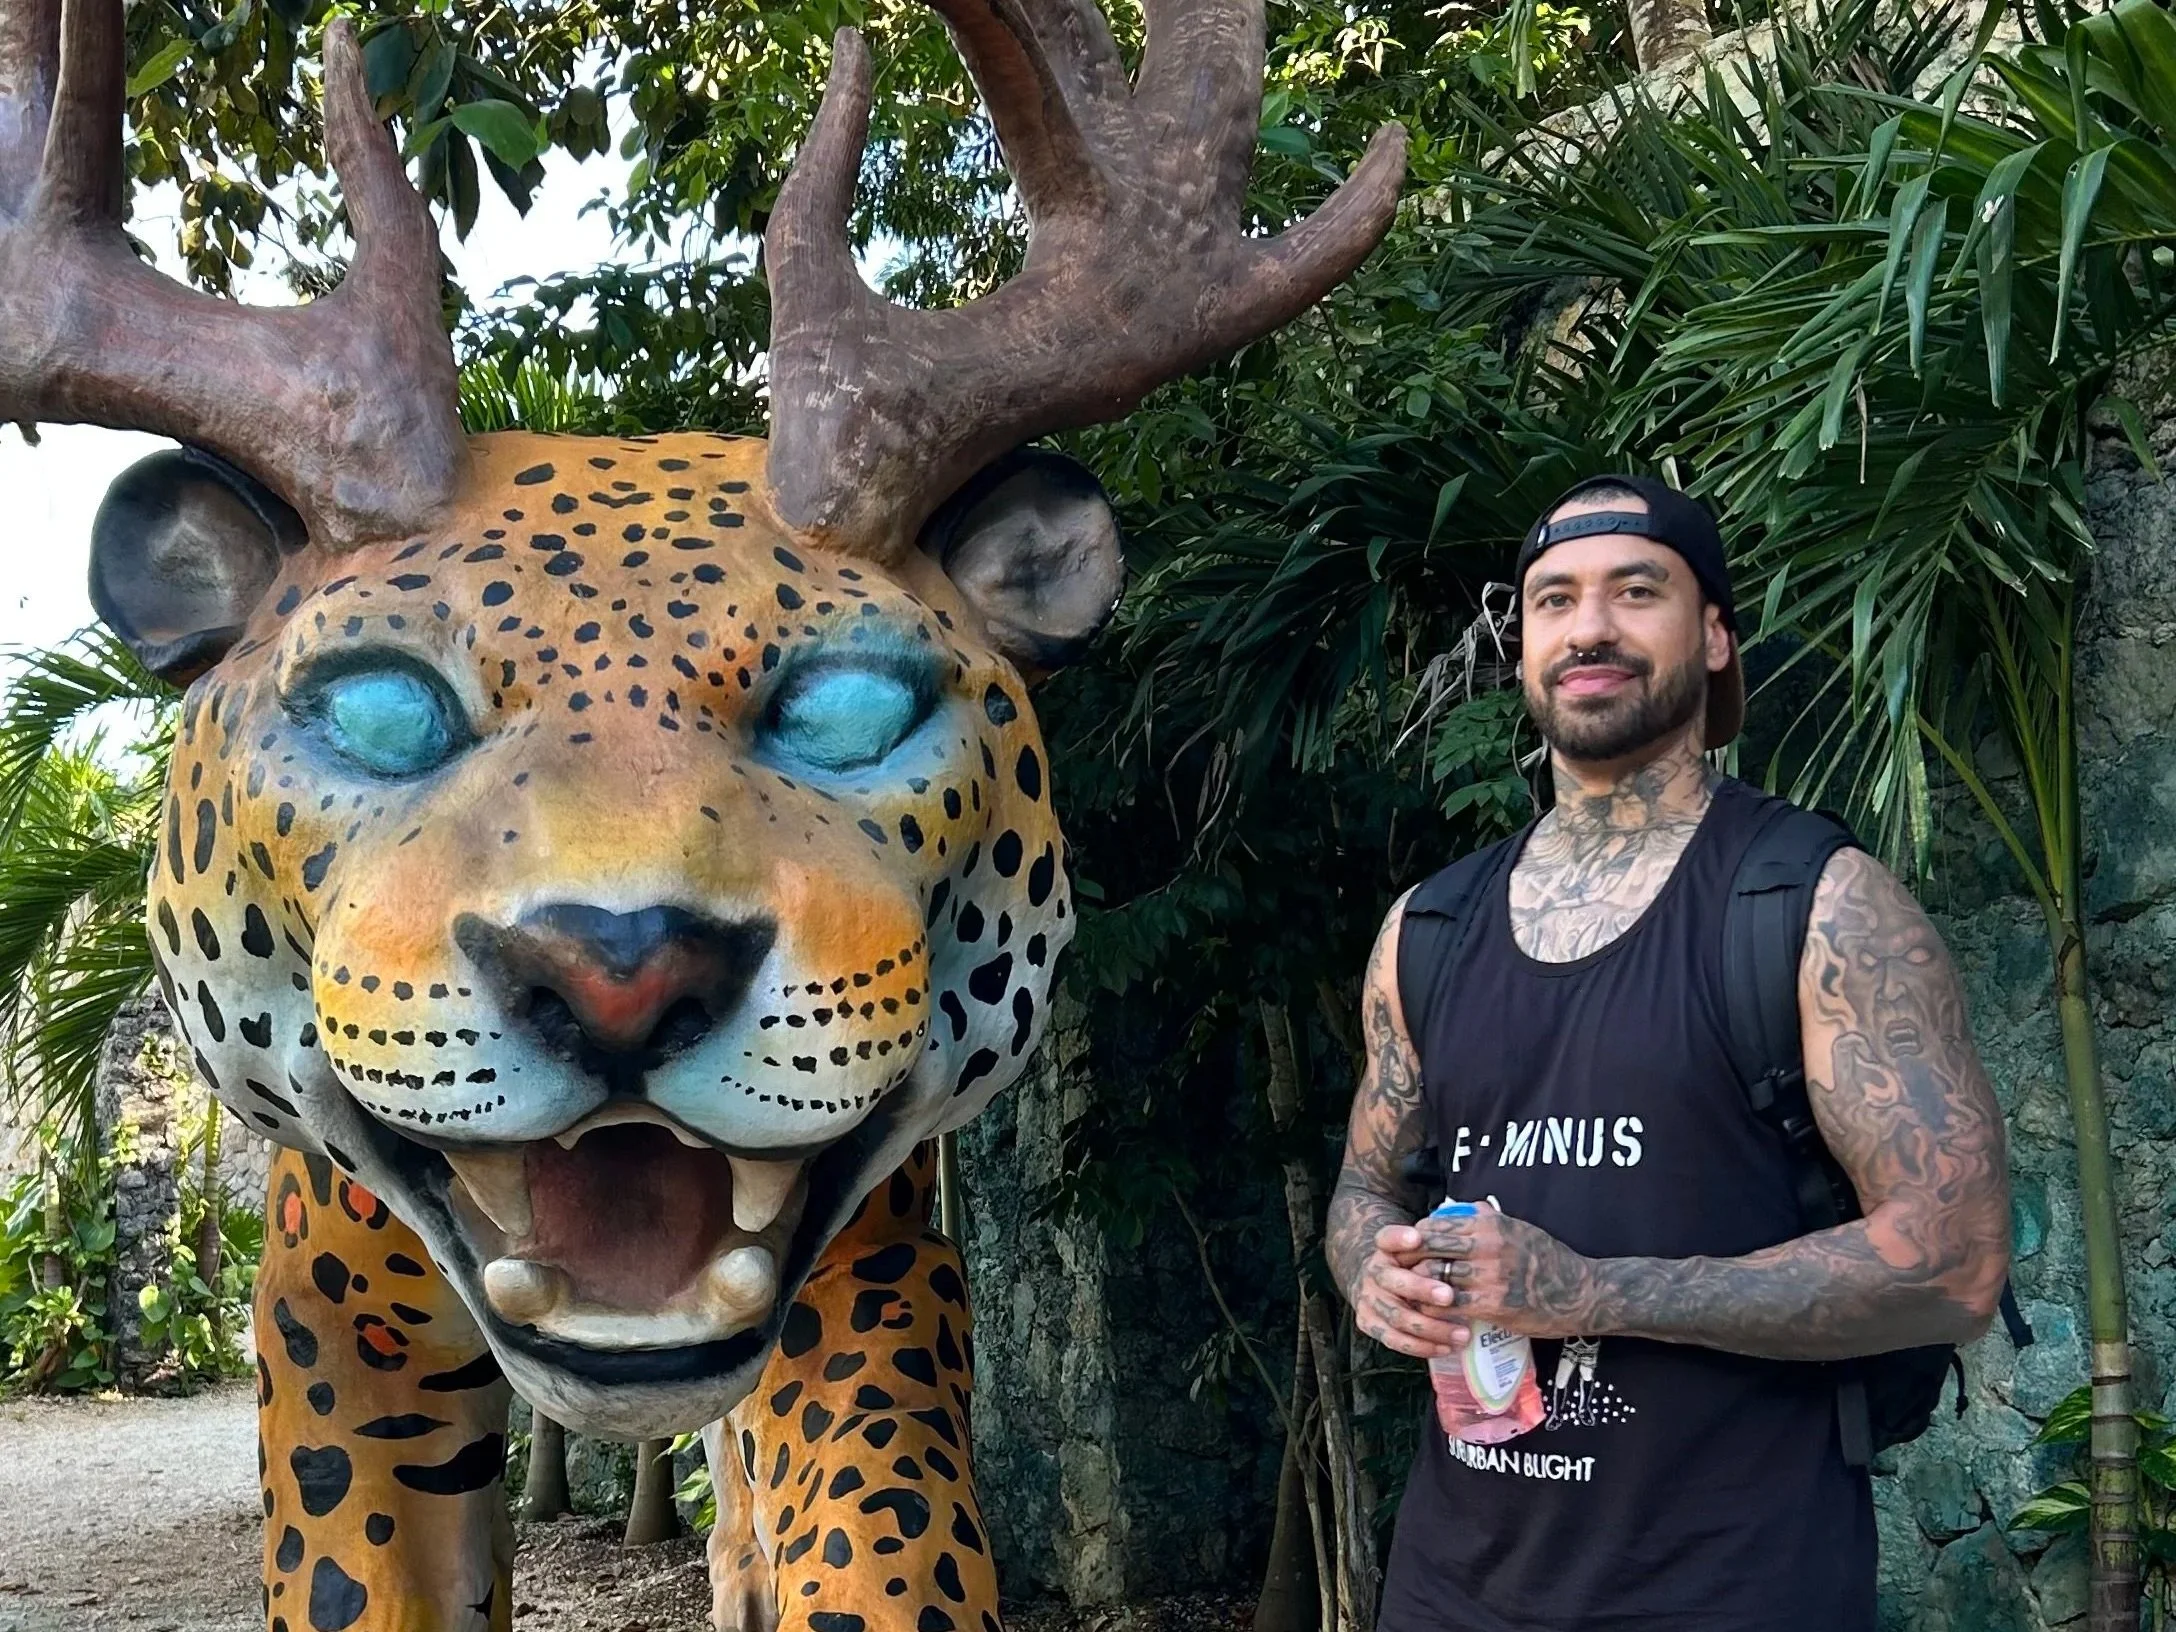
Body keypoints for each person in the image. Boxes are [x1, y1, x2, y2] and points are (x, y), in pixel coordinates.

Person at [1326, 475, 2011, 1632]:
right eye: (1553, 600)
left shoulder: (1813, 905)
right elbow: (1363, 1182)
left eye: (1634, 590)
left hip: (1732, 1585)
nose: (1587, 626)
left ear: (1712, 637)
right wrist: (1371, 1275)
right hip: (1452, 1588)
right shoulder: (1426, 931)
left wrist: (1593, 1293)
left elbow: (1954, 1263)